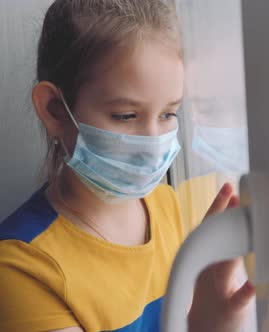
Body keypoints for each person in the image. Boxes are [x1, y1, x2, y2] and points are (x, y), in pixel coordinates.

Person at [0, 1, 254, 331]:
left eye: (168, 114)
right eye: (126, 116)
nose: (153, 141)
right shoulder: (22, 268)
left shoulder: (170, 206)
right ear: (55, 110)